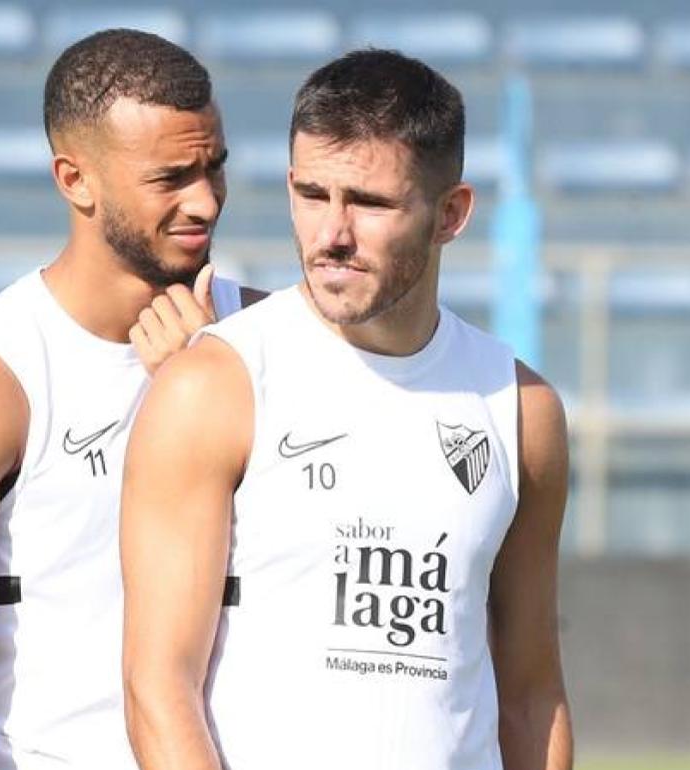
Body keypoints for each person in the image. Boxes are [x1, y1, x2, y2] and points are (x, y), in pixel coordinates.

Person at [121, 49, 574, 770]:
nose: (331, 234)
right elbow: (159, 686)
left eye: (369, 203)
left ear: (450, 215)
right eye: (310, 194)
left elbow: (531, 693)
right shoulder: (216, 384)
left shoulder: (522, 410)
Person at [0, 29, 259, 770]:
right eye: (170, 177)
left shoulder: (267, 341)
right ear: (74, 179)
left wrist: (207, 384)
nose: (204, 200)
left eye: (214, 168)